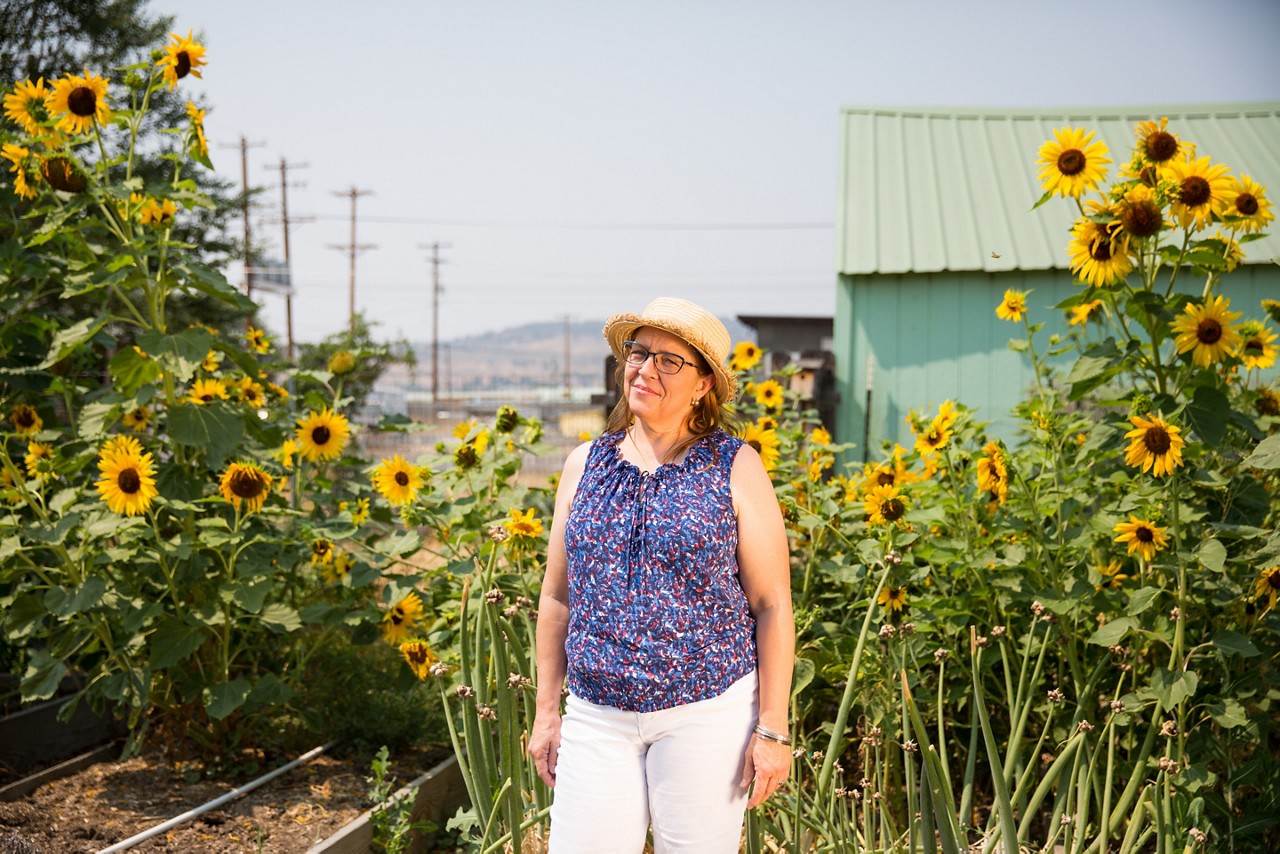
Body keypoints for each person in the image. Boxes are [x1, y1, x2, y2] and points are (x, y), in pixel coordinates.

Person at [528, 296, 795, 852]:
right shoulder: (584, 464)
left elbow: (771, 604)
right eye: (639, 352)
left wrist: (772, 727)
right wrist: (547, 713)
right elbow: (556, 597)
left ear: (703, 385)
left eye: (668, 360)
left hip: (707, 712)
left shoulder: (735, 466)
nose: (645, 369)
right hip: (597, 712)